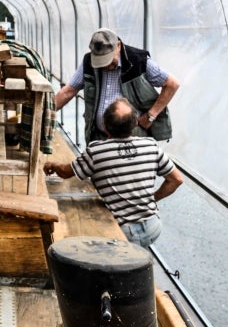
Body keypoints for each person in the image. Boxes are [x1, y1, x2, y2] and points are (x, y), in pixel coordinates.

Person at [43, 97, 184, 247]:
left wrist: (53, 164)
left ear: (105, 126)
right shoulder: (150, 146)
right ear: (135, 123)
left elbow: (65, 172)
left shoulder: (96, 151)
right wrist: (150, 200)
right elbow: (176, 180)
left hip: (124, 231)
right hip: (153, 227)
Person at [53, 28, 180, 143]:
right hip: (99, 137)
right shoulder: (88, 62)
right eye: (100, 62)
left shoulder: (137, 61)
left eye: (108, 60)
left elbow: (172, 84)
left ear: (118, 45)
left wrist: (151, 115)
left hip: (133, 139)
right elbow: (68, 91)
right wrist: (45, 112)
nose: (106, 66)